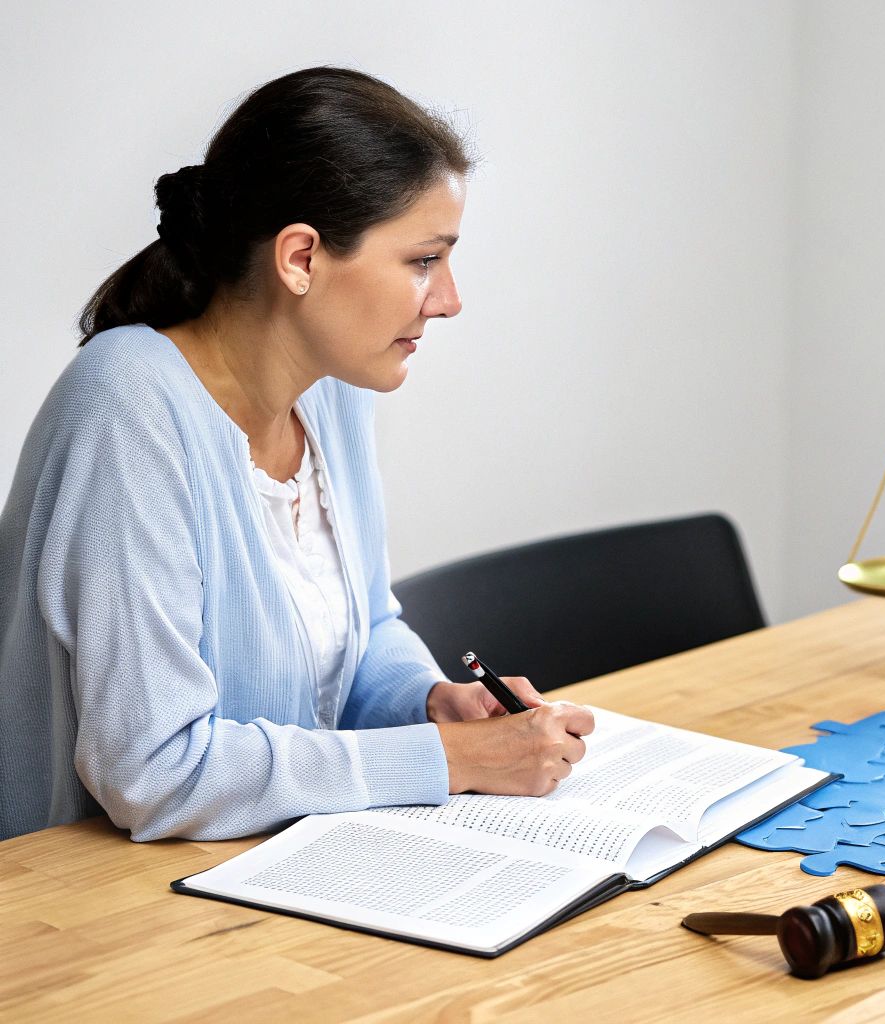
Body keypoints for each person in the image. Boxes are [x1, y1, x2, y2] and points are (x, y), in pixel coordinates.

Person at [0, 67, 594, 843]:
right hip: (96, 917)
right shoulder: (126, 406)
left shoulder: (331, 387)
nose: (449, 298)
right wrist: (446, 758)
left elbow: (362, 632)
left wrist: (424, 700)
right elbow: (155, 771)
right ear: (301, 259)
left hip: (269, 871)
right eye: (424, 260)